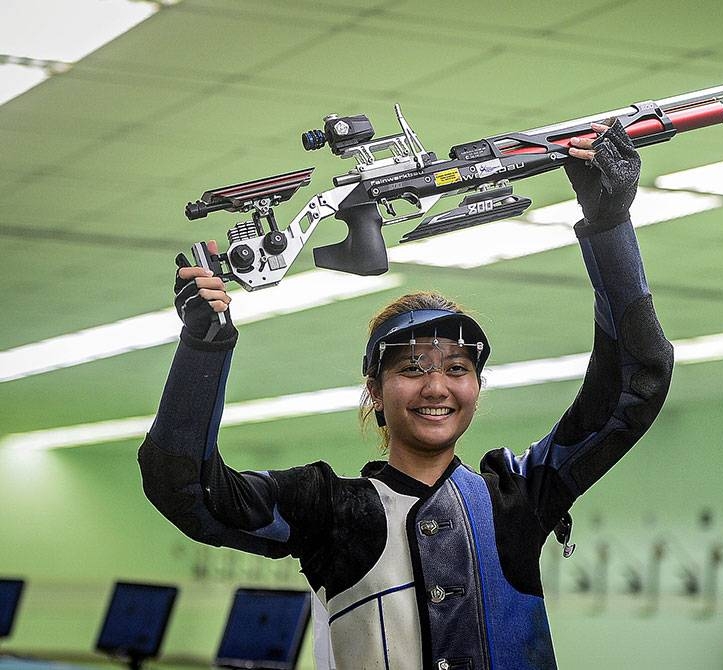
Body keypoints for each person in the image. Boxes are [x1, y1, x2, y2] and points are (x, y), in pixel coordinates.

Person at [138, 120, 674, 669]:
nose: (436, 386)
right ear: (374, 388)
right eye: (412, 369)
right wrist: (203, 347)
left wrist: (611, 227)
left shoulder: (519, 497)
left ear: (477, 386)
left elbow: (637, 381)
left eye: (458, 368)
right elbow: (188, 492)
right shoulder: (328, 511)